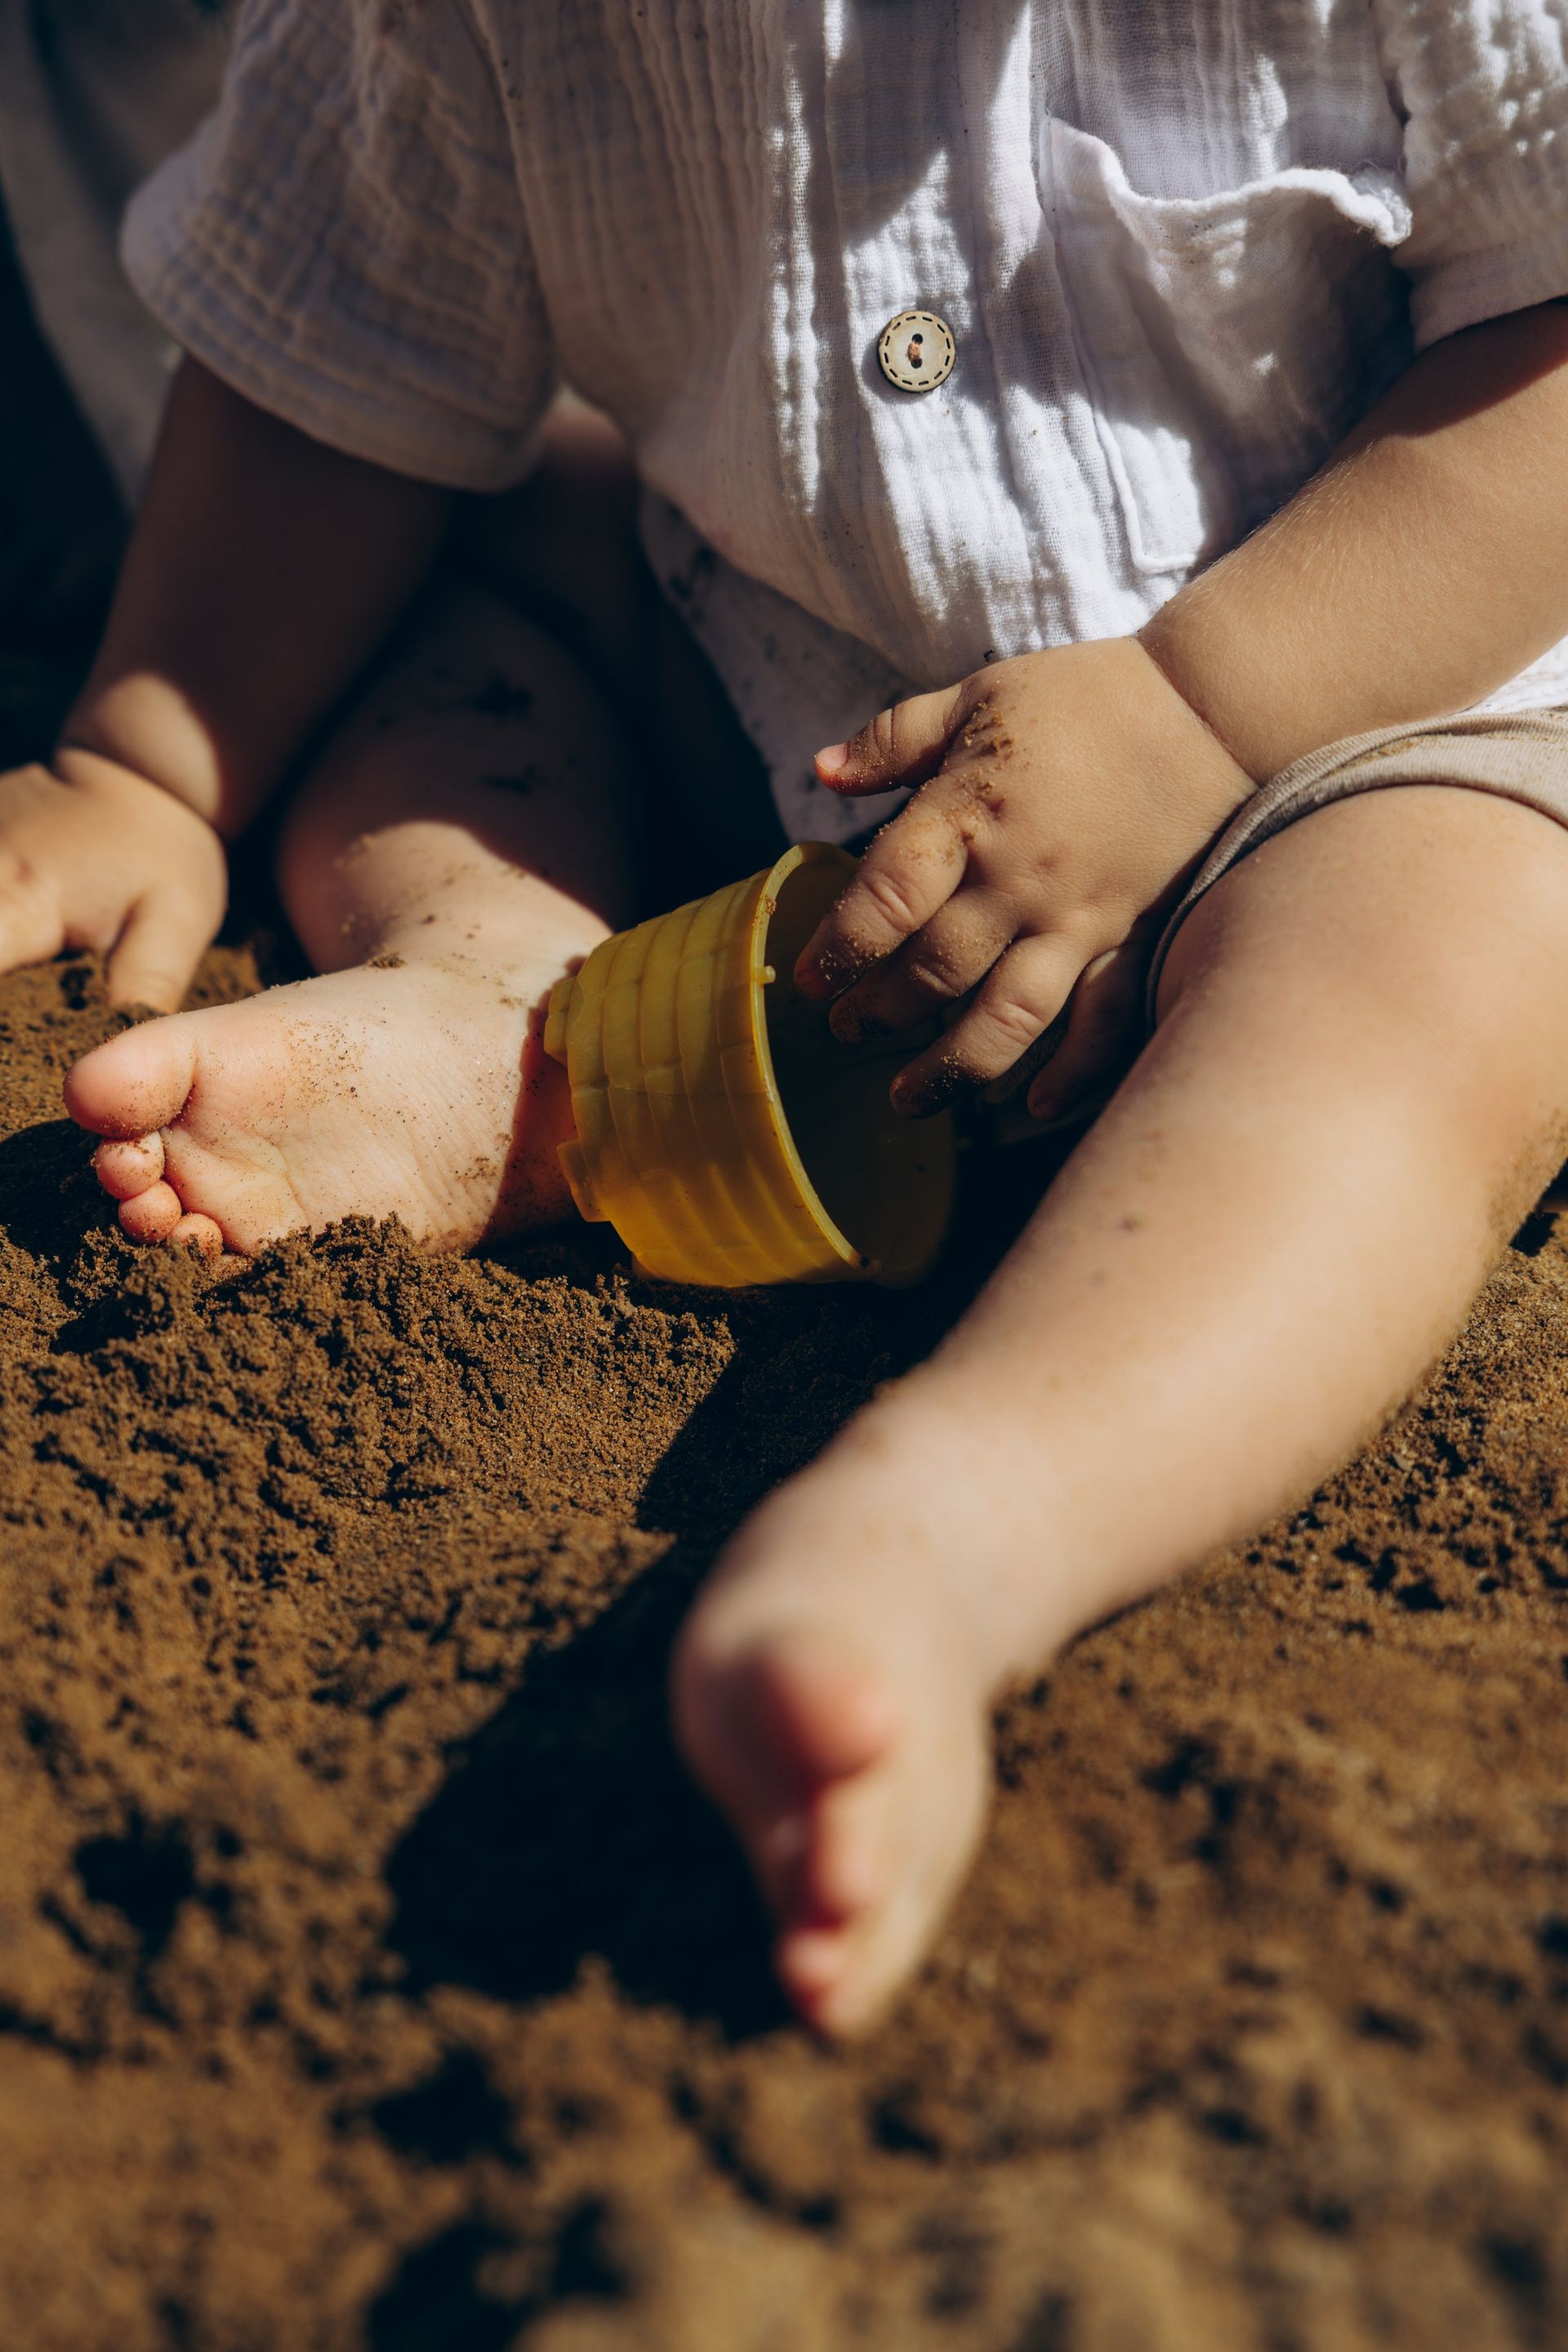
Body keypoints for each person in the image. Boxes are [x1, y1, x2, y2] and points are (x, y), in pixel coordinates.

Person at [7, 0, 1568, 2038]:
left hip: (1355, 711)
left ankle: (969, 1522)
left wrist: (1204, 708)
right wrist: (151, 760)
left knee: (1453, 953)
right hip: (785, 691)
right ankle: (505, 998)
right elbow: (341, 351)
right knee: (461, 583)